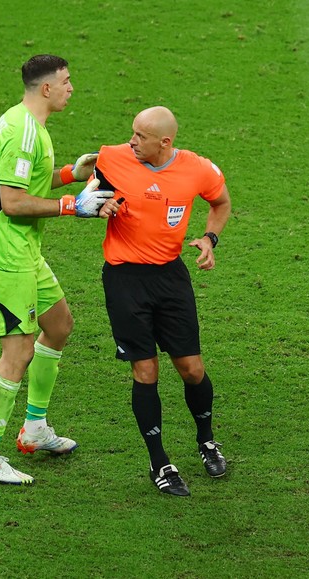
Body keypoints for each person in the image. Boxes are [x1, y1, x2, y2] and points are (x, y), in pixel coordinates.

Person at [0, 54, 112, 485]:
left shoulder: (28, 124)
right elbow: (12, 203)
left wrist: (71, 174)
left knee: (60, 324)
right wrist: (75, 207)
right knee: (19, 351)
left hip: (25, 251)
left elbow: (27, 184)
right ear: (46, 88)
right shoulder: (23, 133)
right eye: (66, 82)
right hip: (5, 256)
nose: (72, 88)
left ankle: (33, 429)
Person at [90, 106, 232, 496]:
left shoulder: (197, 169)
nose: (131, 140)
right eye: (132, 132)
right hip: (124, 279)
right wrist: (100, 204)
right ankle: (159, 462)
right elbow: (91, 189)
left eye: (140, 136)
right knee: (146, 371)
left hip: (170, 277)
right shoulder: (113, 157)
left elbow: (220, 203)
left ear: (164, 142)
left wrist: (209, 239)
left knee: (191, 367)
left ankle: (206, 441)